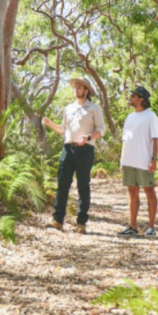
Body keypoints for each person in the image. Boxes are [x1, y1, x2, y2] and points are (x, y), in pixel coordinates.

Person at [42, 77, 105, 234]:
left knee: (83, 185)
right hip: (67, 149)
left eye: (79, 87)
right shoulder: (68, 108)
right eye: (75, 87)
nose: (76, 89)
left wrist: (88, 137)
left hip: (85, 150)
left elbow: (101, 130)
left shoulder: (94, 108)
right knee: (62, 183)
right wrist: (50, 123)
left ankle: (81, 223)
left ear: (86, 91)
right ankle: (57, 220)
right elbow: (63, 130)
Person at [117, 86, 158, 238]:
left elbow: (156, 139)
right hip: (129, 161)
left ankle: (151, 227)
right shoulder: (129, 117)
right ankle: (132, 226)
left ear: (142, 99)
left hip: (144, 161)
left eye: (134, 95)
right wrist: (122, 160)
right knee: (132, 192)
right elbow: (125, 139)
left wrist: (154, 159)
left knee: (149, 192)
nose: (131, 98)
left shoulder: (151, 116)